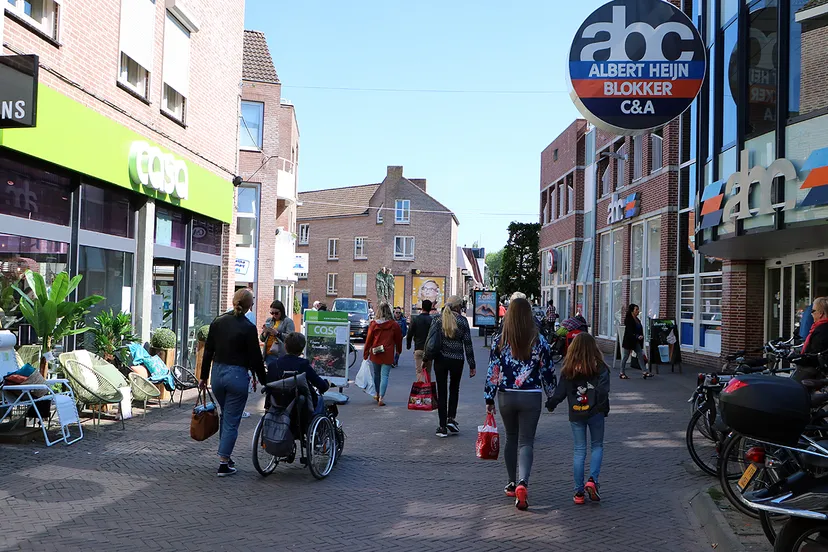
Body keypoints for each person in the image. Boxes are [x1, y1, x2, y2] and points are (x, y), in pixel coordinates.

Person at [484, 298, 556, 511]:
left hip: (506, 396)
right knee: (527, 441)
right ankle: (523, 483)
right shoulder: (539, 340)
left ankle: (511, 482)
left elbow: (492, 372)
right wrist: (551, 396)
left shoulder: (500, 340)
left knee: (511, 438)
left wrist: (489, 398)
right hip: (531, 395)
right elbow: (548, 371)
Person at [200, 288, 267, 477]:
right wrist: (264, 382)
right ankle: (223, 463)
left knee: (226, 416)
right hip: (237, 376)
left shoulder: (218, 321)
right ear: (249, 306)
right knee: (230, 421)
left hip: (218, 374)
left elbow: (208, 352)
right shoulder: (247, 327)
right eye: (252, 302)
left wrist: (204, 377)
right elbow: (255, 359)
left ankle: (226, 457)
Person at [546, 332, 610, 505]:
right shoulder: (600, 367)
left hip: (576, 413)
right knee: (597, 446)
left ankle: (578, 492)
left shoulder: (569, 368)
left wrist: (551, 403)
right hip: (595, 412)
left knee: (579, 450)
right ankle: (593, 480)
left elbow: (559, 392)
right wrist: (602, 407)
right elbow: (603, 390)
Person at [425, 295, 476, 438]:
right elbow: (468, 344)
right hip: (457, 360)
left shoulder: (437, 319)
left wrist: (425, 359)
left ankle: (442, 426)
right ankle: (451, 419)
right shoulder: (463, 321)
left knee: (442, 391)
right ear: (458, 307)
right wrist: (472, 364)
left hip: (440, 360)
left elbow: (430, 341)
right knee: (454, 389)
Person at [266, 332, 329, 408]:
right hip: (300, 408)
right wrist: (326, 384)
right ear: (302, 348)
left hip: (277, 404)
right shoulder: (303, 365)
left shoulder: (273, 365)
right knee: (320, 401)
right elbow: (320, 384)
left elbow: (269, 389)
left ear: (285, 346)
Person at [363, 302, 403, 406]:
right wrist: (399, 350)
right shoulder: (394, 325)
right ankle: (381, 397)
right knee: (384, 375)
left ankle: (376, 393)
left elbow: (368, 340)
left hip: (375, 352)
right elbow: (398, 339)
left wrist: (365, 352)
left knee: (377, 374)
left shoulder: (373, 324)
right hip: (388, 352)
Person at [794, 297, 828, 382]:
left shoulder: (821, 331)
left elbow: (815, 356)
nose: (811, 314)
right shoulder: (819, 328)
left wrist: (798, 358)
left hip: (814, 372)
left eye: (813, 311)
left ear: (821, 313)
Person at [621, 304, 652, 379]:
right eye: (636, 310)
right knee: (625, 356)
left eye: (638, 309)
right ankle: (622, 372)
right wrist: (637, 336)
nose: (638, 311)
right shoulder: (628, 319)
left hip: (636, 341)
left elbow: (639, 329)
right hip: (629, 341)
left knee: (640, 355)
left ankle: (644, 371)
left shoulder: (637, 319)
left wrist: (640, 336)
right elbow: (629, 331)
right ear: (632, 311)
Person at [407, 300, 435, 382]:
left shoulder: (416, 319)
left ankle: (421, 392)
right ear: (430, 308)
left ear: (422, 307)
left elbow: (409, 334)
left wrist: (408, 345)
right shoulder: (432, 320)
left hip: (418, 348)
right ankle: (428, 391)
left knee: (419, 371)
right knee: (428, 371)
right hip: (429, 350)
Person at [260, 300, 295, 365]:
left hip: (280, 354)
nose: (274, 315)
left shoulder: (288, 322)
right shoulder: (269, 321)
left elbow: (291, 338)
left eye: (276, 313)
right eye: (272, 313)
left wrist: (277, 334)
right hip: (268, 353)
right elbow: (262, 339)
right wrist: (265, 332)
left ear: (281, 311)